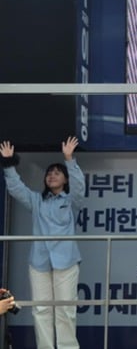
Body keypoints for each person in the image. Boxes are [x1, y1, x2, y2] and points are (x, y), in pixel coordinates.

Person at [0, 138, 84, 349]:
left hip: (66, 262)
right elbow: (17, 189)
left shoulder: (70, 201)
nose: (51, 175)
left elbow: (79, 186)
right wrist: (9, 163)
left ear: (65, 179)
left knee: (65, 309)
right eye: (49, 173)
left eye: (57, 172)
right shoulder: (37, 201)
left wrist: (69, 159)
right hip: (39, 262)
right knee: (41, 310)